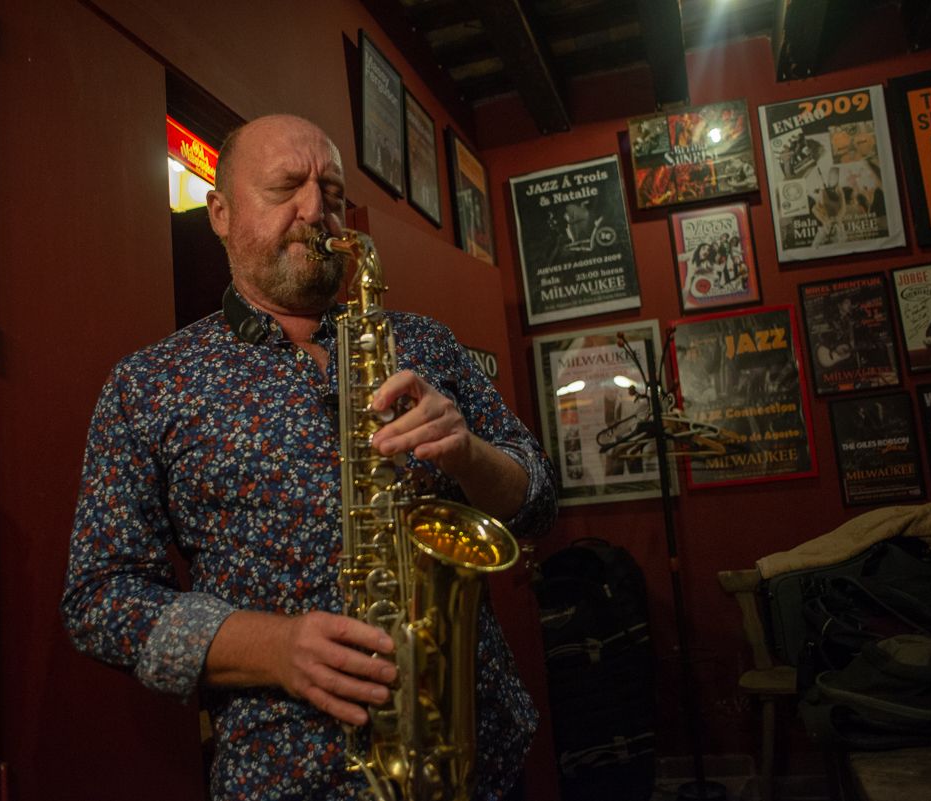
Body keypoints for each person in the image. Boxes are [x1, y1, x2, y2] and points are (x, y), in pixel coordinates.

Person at [60, 114, 558, 801]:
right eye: (285, 186)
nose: (315, 209)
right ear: (221, 212)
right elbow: (99, 598)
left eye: (328, 187)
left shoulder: (427, 343)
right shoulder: (148, 385)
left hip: (476, 758)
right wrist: (271, 646)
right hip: (289, 776)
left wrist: (470, 454)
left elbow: (537, 500)